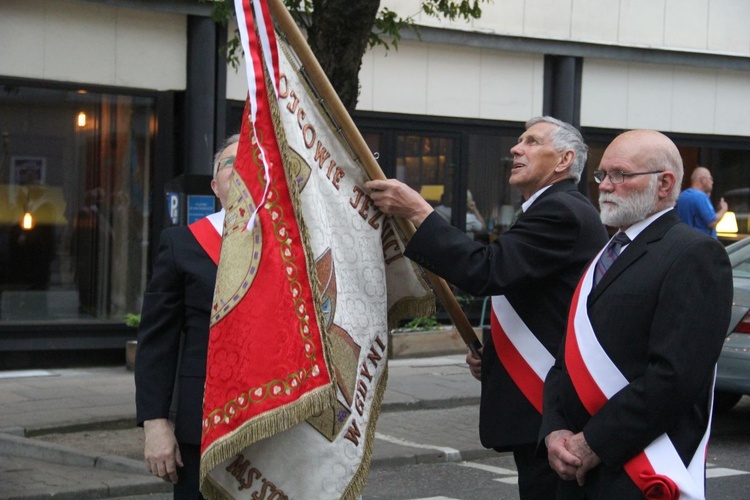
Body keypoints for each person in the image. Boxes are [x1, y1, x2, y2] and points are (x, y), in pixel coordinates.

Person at [365, 116, 608, 500]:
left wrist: (418, 212)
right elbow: (533, 296)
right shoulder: (548, 207)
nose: (515, 148)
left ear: (564, 160)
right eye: (518, 141)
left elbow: (488, 269)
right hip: (538, 399)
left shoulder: (561, 210)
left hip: (552, 406)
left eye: (531, 141)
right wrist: (497, 357)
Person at [542, 130, 733, 499]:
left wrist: (592, 443)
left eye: (620, 175)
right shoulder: (605, 253)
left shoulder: (695, 255)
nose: (605, 186)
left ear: (664, 184)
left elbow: (675, 376)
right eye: (602, 175)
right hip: (571, 468)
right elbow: (564, 359)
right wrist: (554, 431)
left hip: (637, 471)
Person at [135, 134, 238, 499]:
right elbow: (157, 340)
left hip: (276, 422)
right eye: (230, 163)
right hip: (202, 425)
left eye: (253, 163)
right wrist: (155, 422)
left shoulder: (290, 246)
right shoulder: (183, 243)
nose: (240, 168)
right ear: (214, 185)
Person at [676, 166, 728, 238]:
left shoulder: (682, 196)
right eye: (710, 179)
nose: (712, 182)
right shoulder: (700, 196)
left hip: (686, 239)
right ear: (703, 180)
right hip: (702, 242)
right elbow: (712, 221)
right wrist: (724, 209)